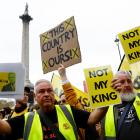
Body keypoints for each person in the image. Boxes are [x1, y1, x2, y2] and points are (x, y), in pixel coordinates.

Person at [0, 78, 108, 140]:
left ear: (53, 93)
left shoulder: (68, 111)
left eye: (49, 90)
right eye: (42, 91)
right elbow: (5, 127)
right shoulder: (28, 119)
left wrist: (108, 98)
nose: (46, 94)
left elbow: (92, 119)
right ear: (35, 96)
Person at [58, 64, 100, 140]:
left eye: (64, 101)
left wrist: (63, 76)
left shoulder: (76, 111)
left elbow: (70, 94)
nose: (61, 104)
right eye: (60, 102)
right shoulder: (58, 117)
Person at [102, 70, 140, 140]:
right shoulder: (105, 110)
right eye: (122, 82)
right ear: (114, 86)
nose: (127, 85)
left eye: (129, 81)